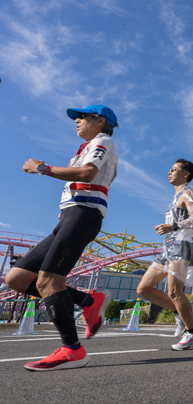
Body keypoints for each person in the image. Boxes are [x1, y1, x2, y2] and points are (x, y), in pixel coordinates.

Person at [6, 105, 118, 371]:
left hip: (84, 215)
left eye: (82, 117)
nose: (76, 121)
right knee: (17, 278)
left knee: (48, 281)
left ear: (100, 121)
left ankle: (72, 349)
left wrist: (42, 168)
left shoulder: (102, 141)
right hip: (70, 216)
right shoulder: (83, 148)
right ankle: (88, 301)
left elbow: (87, 174)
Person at [136, 159, 193, 350]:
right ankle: (181, 311)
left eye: (174, 170)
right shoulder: (175, 197)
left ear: (185, 174)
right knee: (143, 289)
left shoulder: (187, 193)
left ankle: (192, 332)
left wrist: (174, 226)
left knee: (175, 292)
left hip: (182, 246)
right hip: (168, 247)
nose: (169, 172)